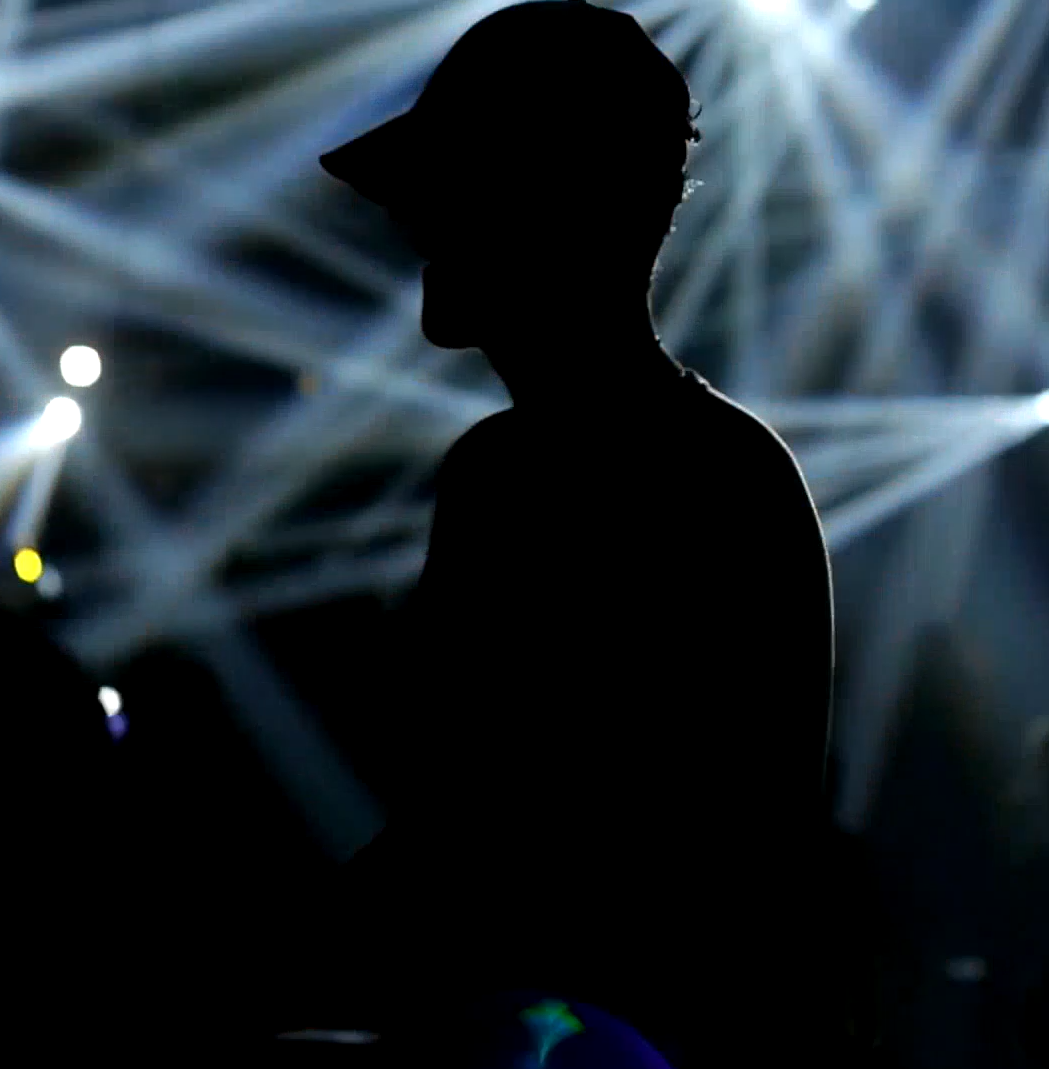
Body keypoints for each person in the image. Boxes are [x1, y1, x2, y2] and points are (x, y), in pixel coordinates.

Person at [316, 3, 839, 1065]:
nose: (416, 227)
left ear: (543, 204)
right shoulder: (728, 475)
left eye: (448, 189)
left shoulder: (522, 480)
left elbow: (490, 847)